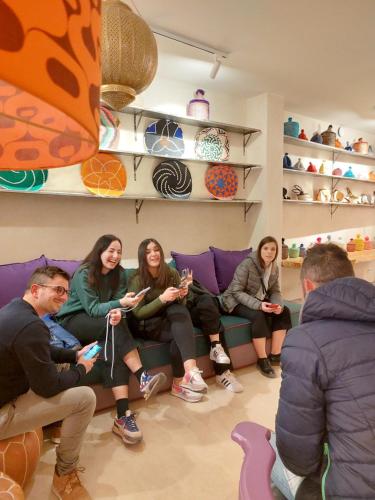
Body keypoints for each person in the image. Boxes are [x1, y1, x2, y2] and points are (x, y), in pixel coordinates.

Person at [272, 243, 375, 499]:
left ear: (307, 286)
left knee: (271, 451)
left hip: (352, 489)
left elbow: (298, 459)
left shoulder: (304, 342)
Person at [56, 235, 166, 445]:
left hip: (104, 321)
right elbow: (92, 308)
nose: (115, 256)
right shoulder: (84, 273)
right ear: (100, 252)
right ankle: (142, 377)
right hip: (73, 320)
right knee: (113, 326)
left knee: (114, 335)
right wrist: (118, 305)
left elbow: (120, 307)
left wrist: (121, 310)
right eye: (110, 251)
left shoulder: (120, 274)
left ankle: (123, 415)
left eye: (119, 252)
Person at [0, 266, 97, 500]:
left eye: (66, 292)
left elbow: (40, 350)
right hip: (3, 411)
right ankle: (64, 476)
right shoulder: (32, 326)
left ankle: (54, 426)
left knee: (60, 367)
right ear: (36, 289)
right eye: (58, 290)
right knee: (85, 398)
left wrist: (73, 356)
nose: (64, 297)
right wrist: (82, 368)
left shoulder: (14, 309)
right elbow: (47, 387)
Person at [128, 238, 211, 403]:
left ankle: (188, 373)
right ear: (142, 256)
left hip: (165, 319)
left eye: (156, 249)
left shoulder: (171, 272)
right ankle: (180, 383)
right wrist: (161, 299)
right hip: (145, 324)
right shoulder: (136, 278)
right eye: (148, 252)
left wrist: (183, 295)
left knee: (180, 316)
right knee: (178, 331)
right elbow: (137, 313)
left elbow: (181, 305)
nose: (153, 254)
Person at [221, 236, 292, 378]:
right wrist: (259, 305)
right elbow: (236, 291)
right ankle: (262, 360)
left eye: (273, 249)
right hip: (233, 301)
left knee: (284, 312)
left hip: (255, 298)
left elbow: (275, 291)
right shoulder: (247, 264)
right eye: (266, 248)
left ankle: (275, 355)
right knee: (258, 315)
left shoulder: (274, 267)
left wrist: (278, 305)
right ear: (260, 250)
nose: (269, 252)